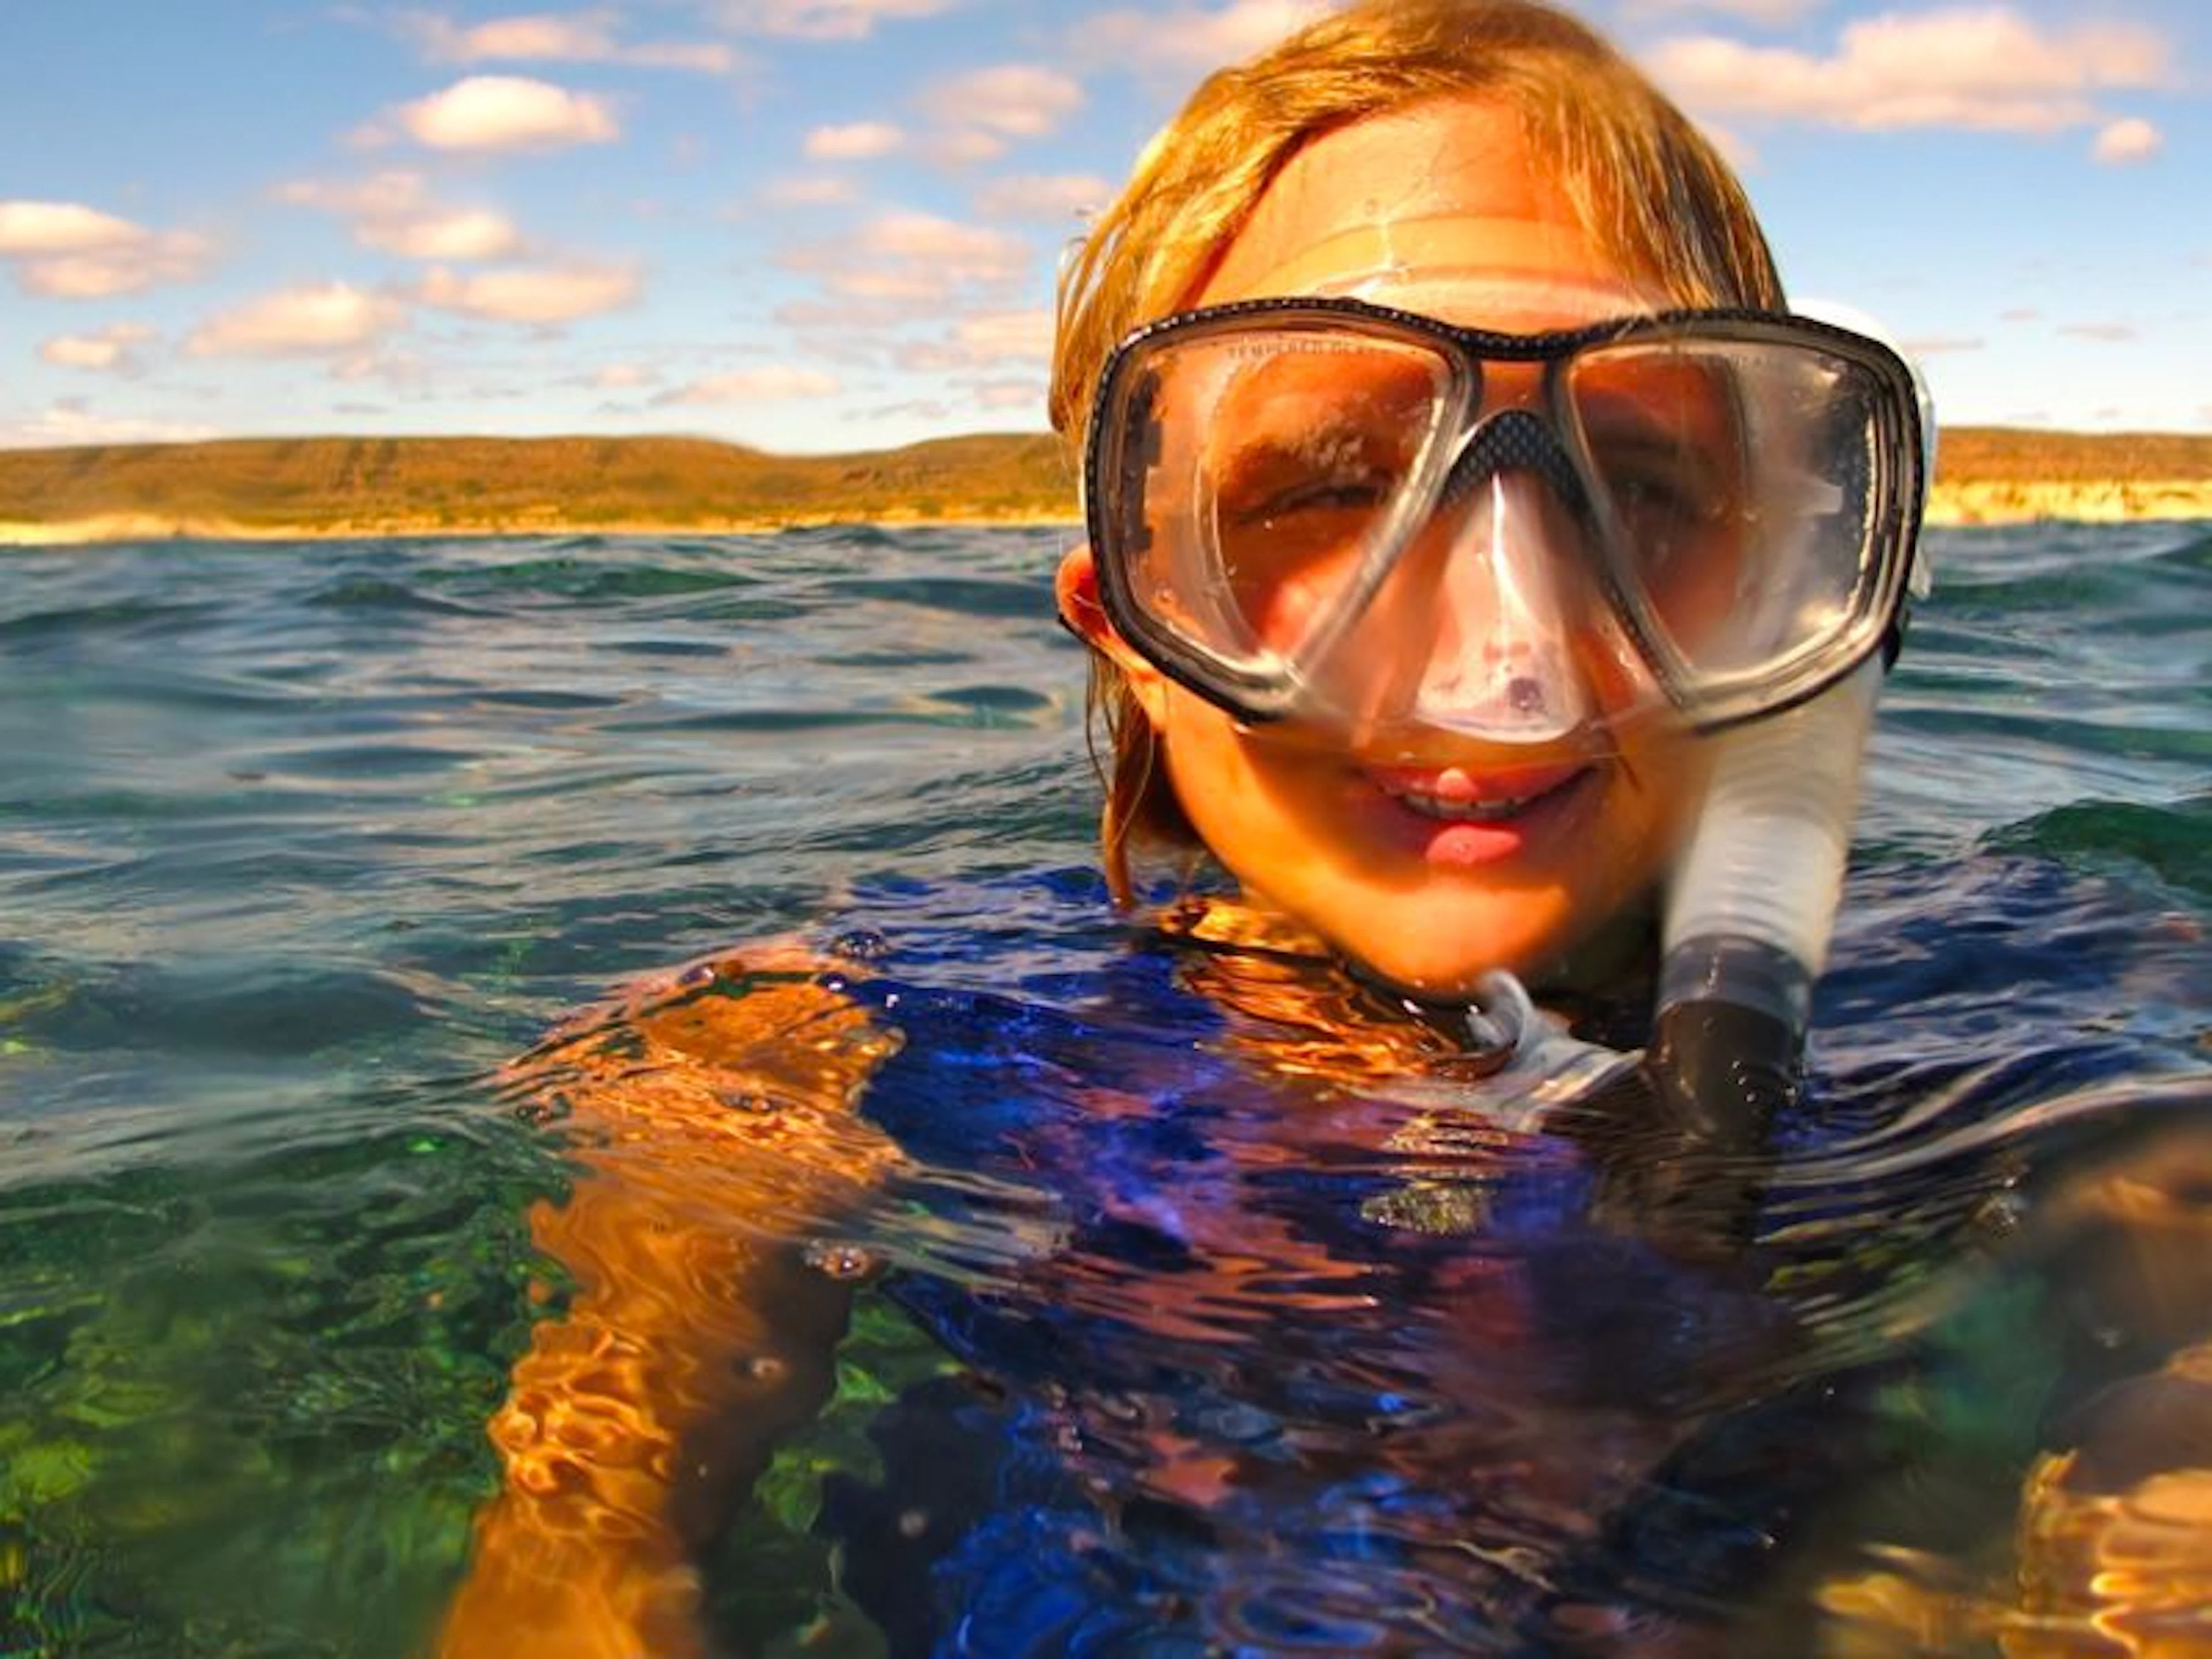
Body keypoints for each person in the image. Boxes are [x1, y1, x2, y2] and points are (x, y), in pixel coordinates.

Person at [435, 2, 2210, 1654]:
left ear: (1775, 580)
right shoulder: (842, 1044)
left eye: (1645, 479)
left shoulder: (2045, 1025)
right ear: (1130, 622)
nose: (1504, 649)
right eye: (1329, 484)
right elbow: (573, 1577)